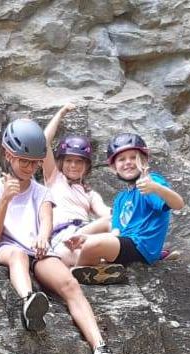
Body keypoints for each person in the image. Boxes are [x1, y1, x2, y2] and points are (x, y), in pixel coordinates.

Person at [0, 118, 120, 354]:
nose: (30, 168)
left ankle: (100, 348)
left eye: (35, 162)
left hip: (40, 251)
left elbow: (46, 221)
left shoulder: (41, 191)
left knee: (70, 285)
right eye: (24, 161)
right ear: (8, 154)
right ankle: (29, 300)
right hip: (8, 246)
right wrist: (6, 198)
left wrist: (43, 238)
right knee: (17, 255)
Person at [63, 133, 185, 282]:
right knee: (85, 244)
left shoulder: (149, 183)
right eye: (121, 159)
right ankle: (99, 268)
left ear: (144, 160)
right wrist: (85, 238)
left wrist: (156, 188)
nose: (128, 162)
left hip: (141, 248)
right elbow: (116, 232)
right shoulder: (121, 198)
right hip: (127, 244)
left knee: (92, 246)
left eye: (133, 157)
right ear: (114, 168)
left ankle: (74, 275)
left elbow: (178, 204)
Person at [39, 103, 123, 283]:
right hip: (61, 236)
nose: (73, 166)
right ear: (61, 162)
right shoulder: (54, 178)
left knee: (115, 221)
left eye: (79, 162)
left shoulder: (90, 193)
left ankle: (91, 267)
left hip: (84, 234)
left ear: (86, 166)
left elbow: (106, 213)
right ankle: (95, 267)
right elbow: (43, 142)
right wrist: (60, 113)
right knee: (64, 253)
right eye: (69, 160)